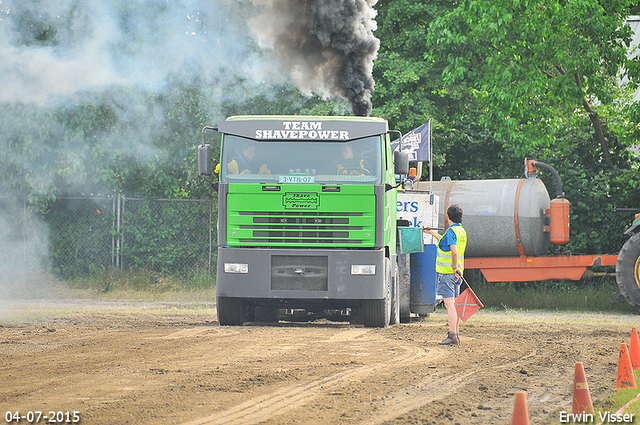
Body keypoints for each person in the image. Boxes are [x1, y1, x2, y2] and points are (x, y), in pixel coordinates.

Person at [423, 204, 468, 346]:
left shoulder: (451, 232)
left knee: (450, 305)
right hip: (457, 274)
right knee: (456, 305)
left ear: (448, 217)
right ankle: (456, 334)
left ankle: (452, 335)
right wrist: (431, 233)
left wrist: (453, 267)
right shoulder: (461, 231)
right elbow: (446, 243)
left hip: (448, 273)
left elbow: (453, 251)